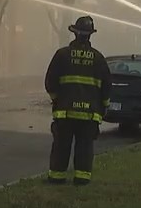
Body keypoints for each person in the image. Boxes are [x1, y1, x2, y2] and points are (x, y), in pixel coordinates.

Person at [44, 15, 112, 186]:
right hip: (89, 115)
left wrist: (57, 100)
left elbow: (50, 82)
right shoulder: (98, 58)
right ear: (90, 35)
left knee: (61, 146)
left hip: (65, 113)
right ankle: (82, 179)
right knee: (85, 147)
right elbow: (106, 88)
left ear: (74, 33)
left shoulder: (62, 55)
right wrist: (103, 107)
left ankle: (57, 178)